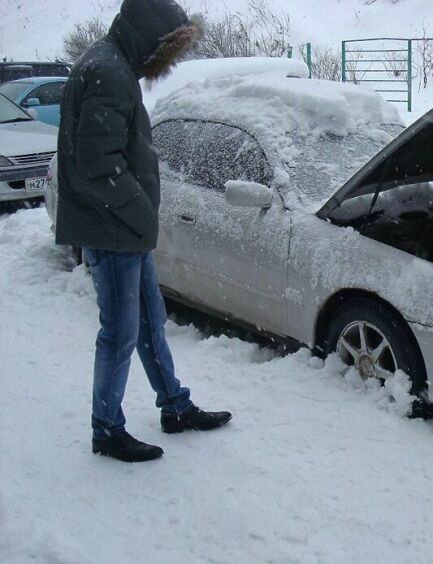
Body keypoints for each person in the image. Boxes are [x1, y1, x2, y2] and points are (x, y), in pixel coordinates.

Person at [56, 0, 232, 462]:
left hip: (121, 228)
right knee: (119, 333)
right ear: (150, 39)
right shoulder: (109, 72)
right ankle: (107, 428)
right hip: (112, 228)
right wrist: (140, 212)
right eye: (168, 52)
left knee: (150, 323)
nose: (169, 64)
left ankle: (174, 405)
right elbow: (99, 166)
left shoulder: (110, 62)